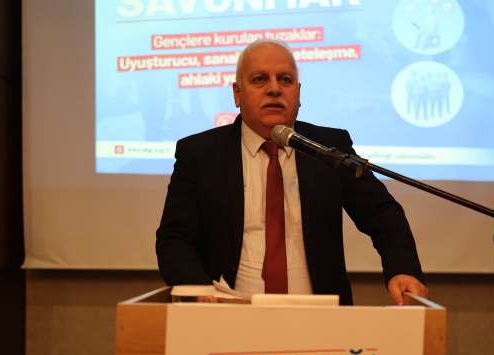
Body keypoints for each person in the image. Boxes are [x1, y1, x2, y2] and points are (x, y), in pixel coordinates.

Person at [156, 39, 427, 305]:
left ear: (298, 93)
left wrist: (403, 269)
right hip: (226, 314)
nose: (274, 89)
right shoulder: (200, 154)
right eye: (260, 79)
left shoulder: (329, 148)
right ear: (237, 94)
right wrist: (198, 289)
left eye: (285, 80)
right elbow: (174, 238)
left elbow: (382, 214)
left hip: (320, 317)